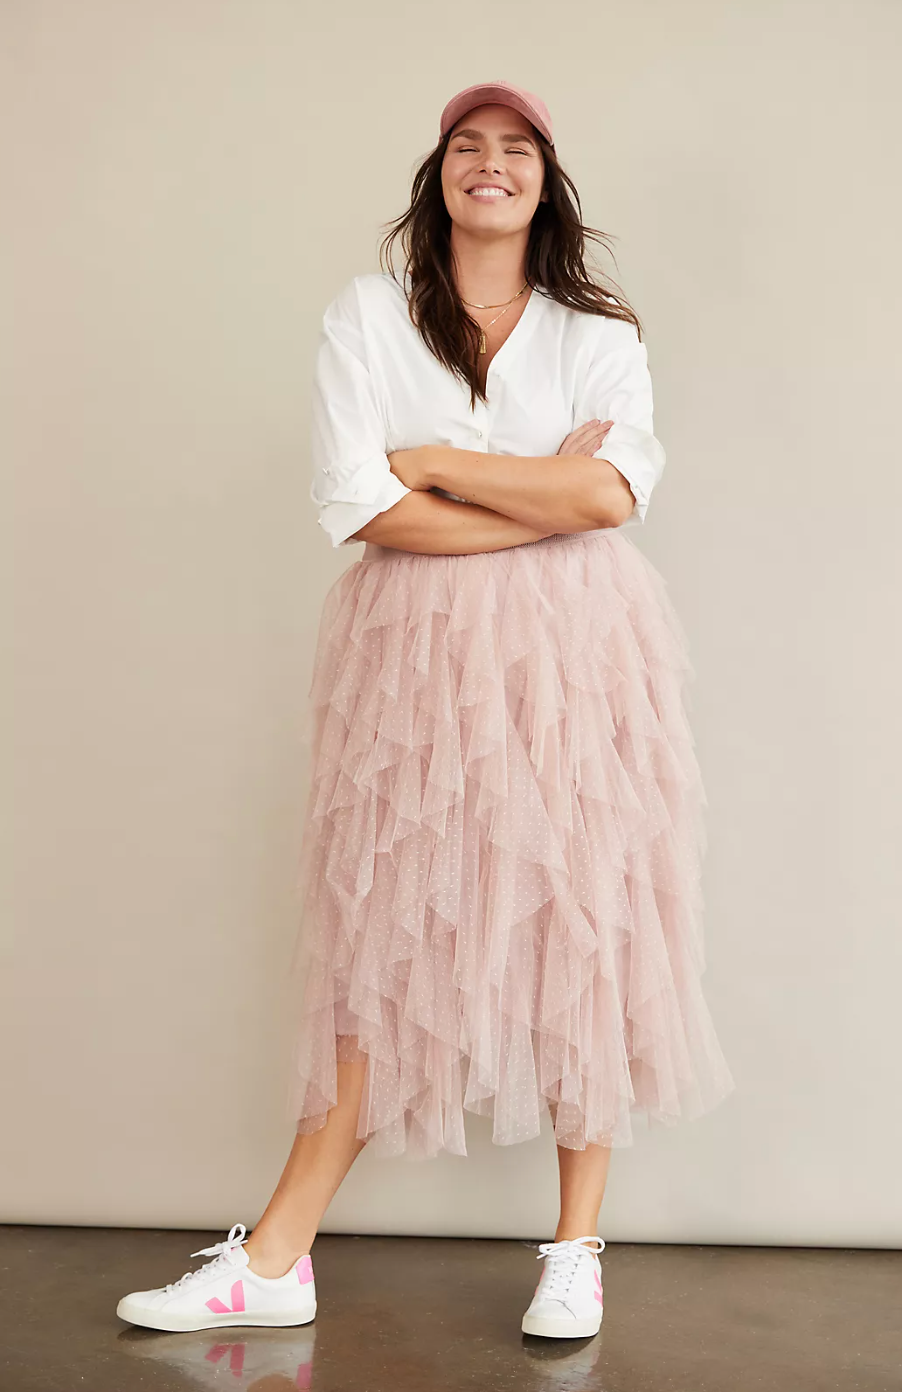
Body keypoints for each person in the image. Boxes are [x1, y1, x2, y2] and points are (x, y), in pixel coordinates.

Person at [116, 79, 735, 1341]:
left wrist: (442, 461)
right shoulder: (367, 314)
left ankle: (575, 1247)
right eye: (468, 146)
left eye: (515, 149)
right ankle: (277, 1257)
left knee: (584, 921)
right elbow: (356, 504)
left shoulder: (595, 328)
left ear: (544, 183)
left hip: (579, 661)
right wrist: (536, 490)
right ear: (438, 174)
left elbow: (612, 499)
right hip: (408, 667)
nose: (489, 164)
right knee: (382, 938)